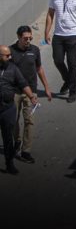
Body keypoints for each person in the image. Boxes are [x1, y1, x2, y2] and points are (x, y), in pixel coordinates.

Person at [10, 26, 52, 164]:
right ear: (18, 37)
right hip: (14, 92)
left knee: (29, 121)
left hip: (31, 92)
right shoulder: (10, 52)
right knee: (13, 121)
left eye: (30, 38)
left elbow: (39, 69)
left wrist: (46, 87)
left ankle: (25, 151)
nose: (28, 41)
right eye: (25, 38)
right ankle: (16, 141)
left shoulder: (34, 50)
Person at [1, 45, 39, 175]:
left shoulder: (13, 69)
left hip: (7, 108)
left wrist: (31, 96)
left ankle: (9, 164)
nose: (10, 57)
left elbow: (23, 83)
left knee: (7, 139)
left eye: (10, 55)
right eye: (7, 56)